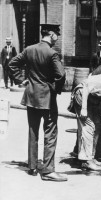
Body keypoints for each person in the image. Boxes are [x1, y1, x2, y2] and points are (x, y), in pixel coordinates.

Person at [9, 24, 67, 181]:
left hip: (31, 96)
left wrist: (21, 80)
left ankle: (32, 167)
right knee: (51, 133)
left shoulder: (29, 49)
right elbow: (61, 75)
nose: (57, 38)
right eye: (57, 35)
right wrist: (54, 88)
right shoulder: (52, 53)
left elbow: (12, 64)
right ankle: (48, 171)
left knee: (33, 131)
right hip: (47, 99)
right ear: (51, 34)